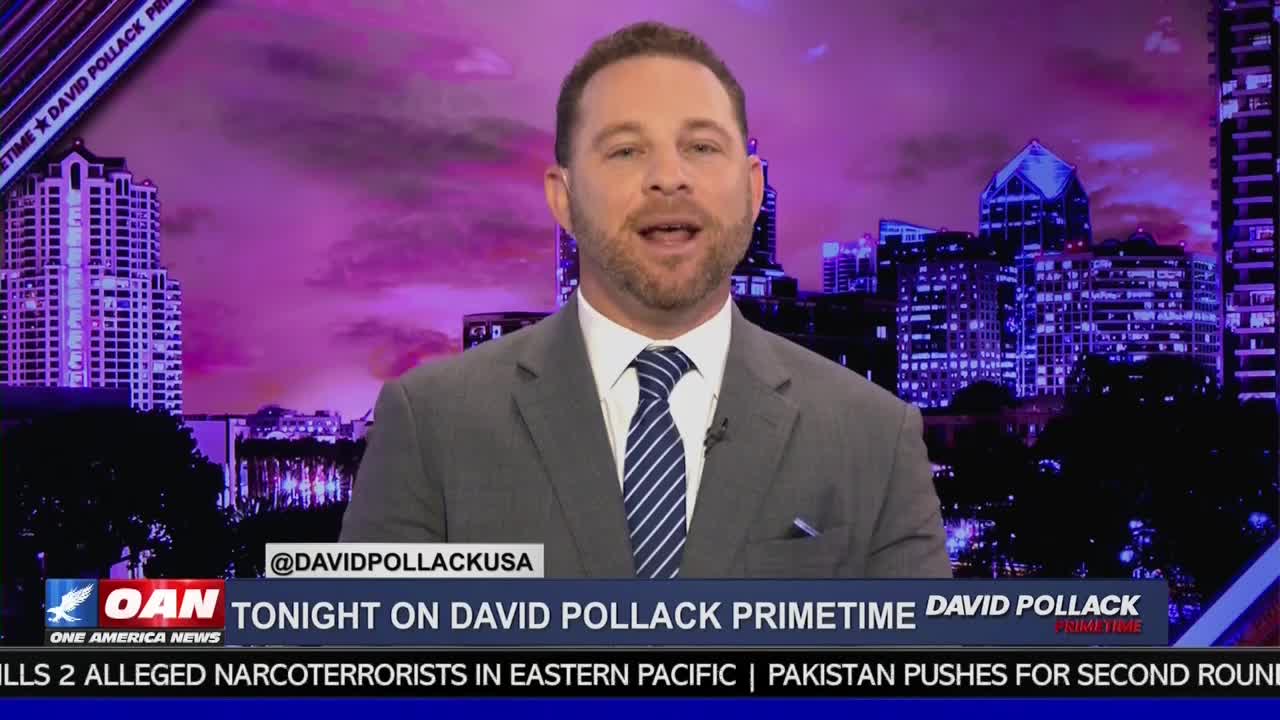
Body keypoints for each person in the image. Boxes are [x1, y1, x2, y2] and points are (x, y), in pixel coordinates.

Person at [340, 21, 951, 579]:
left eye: (702, 147)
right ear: (563, 199)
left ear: (751, 190)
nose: (668, 177)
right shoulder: (430, 426)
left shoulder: (875, 436)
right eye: (626, 150)